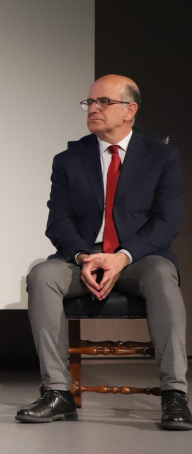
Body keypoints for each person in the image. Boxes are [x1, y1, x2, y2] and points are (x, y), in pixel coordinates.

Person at [16, 75, 191, 430]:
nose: (93, 108)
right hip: (83, 256)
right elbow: (58, 221)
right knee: (41, 275)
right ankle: (57, 393)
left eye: (103, 102)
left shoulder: (161, 157)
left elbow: (166, 222)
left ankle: (175, 395)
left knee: (162, 275)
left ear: (130, 110)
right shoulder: (69, 159)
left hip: (139, 258)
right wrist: (83, 256)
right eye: (89, 103)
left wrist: (122, 256)